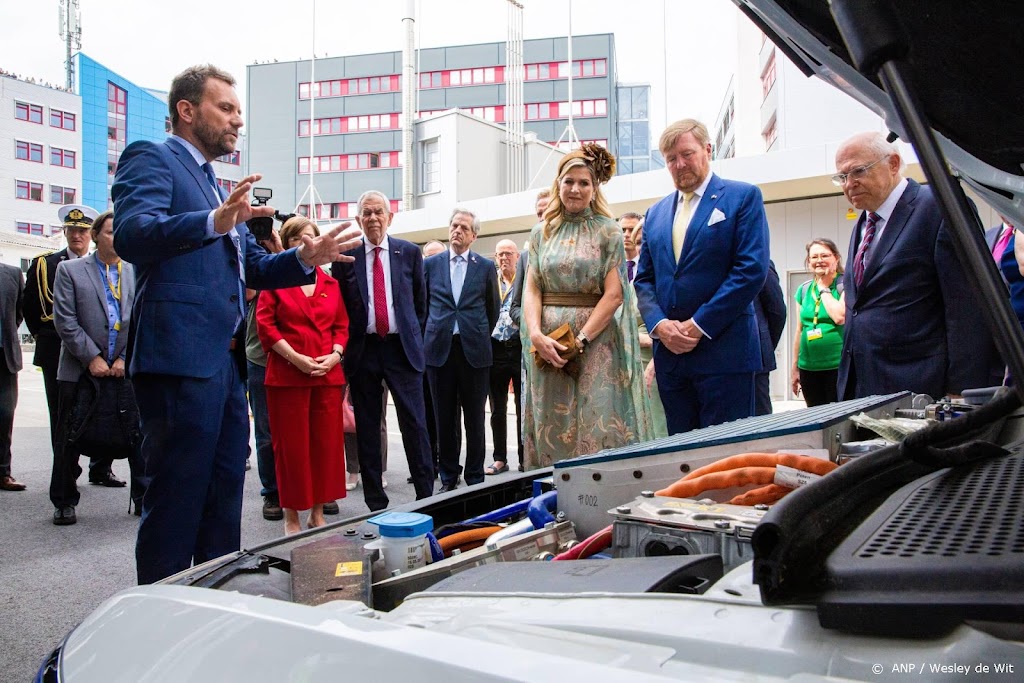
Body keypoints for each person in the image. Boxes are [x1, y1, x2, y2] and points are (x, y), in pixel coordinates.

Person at [111, 64, 362, 583]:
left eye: (239, 111)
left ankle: (215, 596)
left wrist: (304, 259)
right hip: (178, 359)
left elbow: (254, 267)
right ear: (186, 110)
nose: (237, 120)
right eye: (225, 108)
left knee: (224, 492)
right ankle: (161, 609)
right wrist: (213, 221)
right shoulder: (151, 157)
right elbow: (133, 235)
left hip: (223, 366)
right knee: (178, 495)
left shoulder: (212, 183)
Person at [835, 132, 994, 399]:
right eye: (842, 177)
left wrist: (961, 390)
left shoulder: (940, 207)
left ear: (893, 164)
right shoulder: (862, 224)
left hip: (920, 388)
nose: (849, 184)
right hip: (861, 387)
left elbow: (969, 307)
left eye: (858, 171)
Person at [634, 119, 769, 433]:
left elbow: (750, 270)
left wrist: (699, 324)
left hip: (724, 353)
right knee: (681, 452)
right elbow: (644, 279)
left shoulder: (742, 197)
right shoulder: (655, 214)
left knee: (726, 453)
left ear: (708, 150)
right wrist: (658, 324)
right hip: (671, 359)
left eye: (687, 154)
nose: (679, 164)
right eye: (671, 159)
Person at [522, 143, 652, 468]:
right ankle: (552, 490)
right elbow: (532, 289)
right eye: (569, 181)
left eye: (584, 182)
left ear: (594, 189)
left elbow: (614, 295)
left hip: (595, 345)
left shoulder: (609, 231)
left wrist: (580, 341)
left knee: (595, 420)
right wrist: (536, 334)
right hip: (547, 346)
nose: (575, 189)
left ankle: (596, 491)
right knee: (552, 422)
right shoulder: (541, 233)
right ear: (558, 184)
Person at [332, 191, 436, 511]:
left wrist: (411, 337)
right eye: (367, 213)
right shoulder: (346, 255)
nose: (373, 218)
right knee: (366, 426)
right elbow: (340, 306)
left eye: (379, 212)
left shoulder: (409, 252)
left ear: (390, 218)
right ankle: (376, 502)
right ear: (358, 219)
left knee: (415, 424)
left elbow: (420, 304)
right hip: (363, 350)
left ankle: (426, 497)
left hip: (401, 349)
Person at [50, 211, 145, 524]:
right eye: (110, 232)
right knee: (69, 436)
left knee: (136, 434)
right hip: (79, 369)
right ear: (95, 236)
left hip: (123, 367)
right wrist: (91, 357)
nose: (117, 238)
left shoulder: (135, 271)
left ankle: (143, 497)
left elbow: (142, 320)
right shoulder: (70, 270)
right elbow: (65, 320)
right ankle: (64, 500)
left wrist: (123, 358)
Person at [257, 217, 349, 534]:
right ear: (288, 244)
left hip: (326, 375)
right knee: (291, 449)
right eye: (298, 238)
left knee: (325, 446)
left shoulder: (331, 284)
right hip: (287, 376)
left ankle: (318, 513)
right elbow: (266, 326)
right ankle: (292, 516)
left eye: (312, 236)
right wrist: (295, 358)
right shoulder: (275, 281)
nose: (307, 243)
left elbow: (341, 326)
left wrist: (335, 355)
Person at [26, 204, 122, 488]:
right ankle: (67, 478)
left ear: (89, 234)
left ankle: (101, 468)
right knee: (65, 421)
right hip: (60, 349)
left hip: (110, 354)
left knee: (109, 412)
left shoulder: (124, 268)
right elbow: (33, 309)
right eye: (72, 230)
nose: (76, 235)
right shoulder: (49, 264)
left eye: (81, 230)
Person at [424, 209, 500, 491]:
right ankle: (448, 476)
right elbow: (423, 305)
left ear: (474, 236)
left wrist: (475, 332)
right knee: (444, 418)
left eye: (464, 228)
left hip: (474, 352)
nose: (457, 230)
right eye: (454, 225)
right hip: (439, 350)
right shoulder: (431, 265)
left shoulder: (485, 266)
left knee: (475, 418)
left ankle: (475, 477)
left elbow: (493, 308)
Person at [622, 214, 668, 439]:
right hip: (634, 362)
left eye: (645, 242)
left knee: (660, 428)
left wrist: (655, 343)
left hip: (660, 363)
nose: (643, 248)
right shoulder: (637, 280)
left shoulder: (668, 278)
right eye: (639, 243)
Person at [790, 240, 845, 407]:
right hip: (808, 369)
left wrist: (823, 287)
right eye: (814, 257)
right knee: (815, 416)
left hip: (838, 367)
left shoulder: (844, 284)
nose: (819, 260)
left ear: (836, 258)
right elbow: (799, 330)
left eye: (825, 255)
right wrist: (795, 367)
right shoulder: (804, 290)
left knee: (839, 416)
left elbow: (839, 317)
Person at [486, 239, 523, 475]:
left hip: (519, 347)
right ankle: (500, 458)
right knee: (497, 408)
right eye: (500, 254)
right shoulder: (491, 281)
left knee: (522, 407)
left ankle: (525, 457)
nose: (504, 258)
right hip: (496, 349)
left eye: (508, 253)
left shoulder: (524, 280)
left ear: (517, 256)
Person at [0, 263, 24, 492]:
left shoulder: (13, 274)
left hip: (4, 356)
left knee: (5, 416)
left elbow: (18, 313)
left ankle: (3, 472)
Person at [753, 261, 787, 415]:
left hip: (754, 358)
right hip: (714, 363)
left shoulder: (760, 262)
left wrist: (764, 345)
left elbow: (777, 311)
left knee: (758, 420)